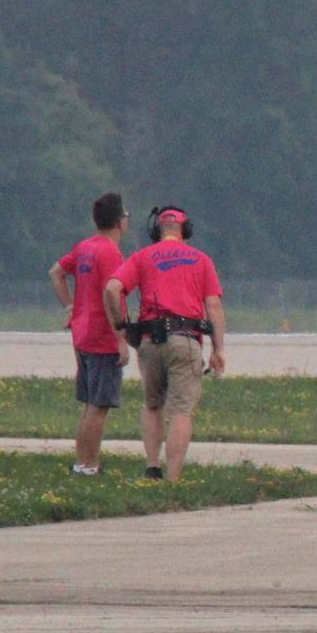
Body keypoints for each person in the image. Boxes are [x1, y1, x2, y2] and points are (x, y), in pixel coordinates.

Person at [104, 206, 226, 481]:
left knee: (152, 404)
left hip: (149, 341)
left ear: (156, 230)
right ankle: (173, 478)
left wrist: (122, 326)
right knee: (181, 411)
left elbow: (112, 289)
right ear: (186, 230)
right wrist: (218, 348)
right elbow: (214, 306)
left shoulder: (142, 257)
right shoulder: (201, 259)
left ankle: (152, 467)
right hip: (186, 340)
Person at [48, 193, 130, 476]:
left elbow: (56, 272)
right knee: (100, 404)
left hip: (81, 334)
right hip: (101, 337)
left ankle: (81, 463)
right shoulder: (110, 252)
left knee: (89, 404)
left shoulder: (84, 247)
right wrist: (121, 338)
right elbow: (112, 295)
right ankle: (91, 465)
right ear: (120, 222)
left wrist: (71, 307)